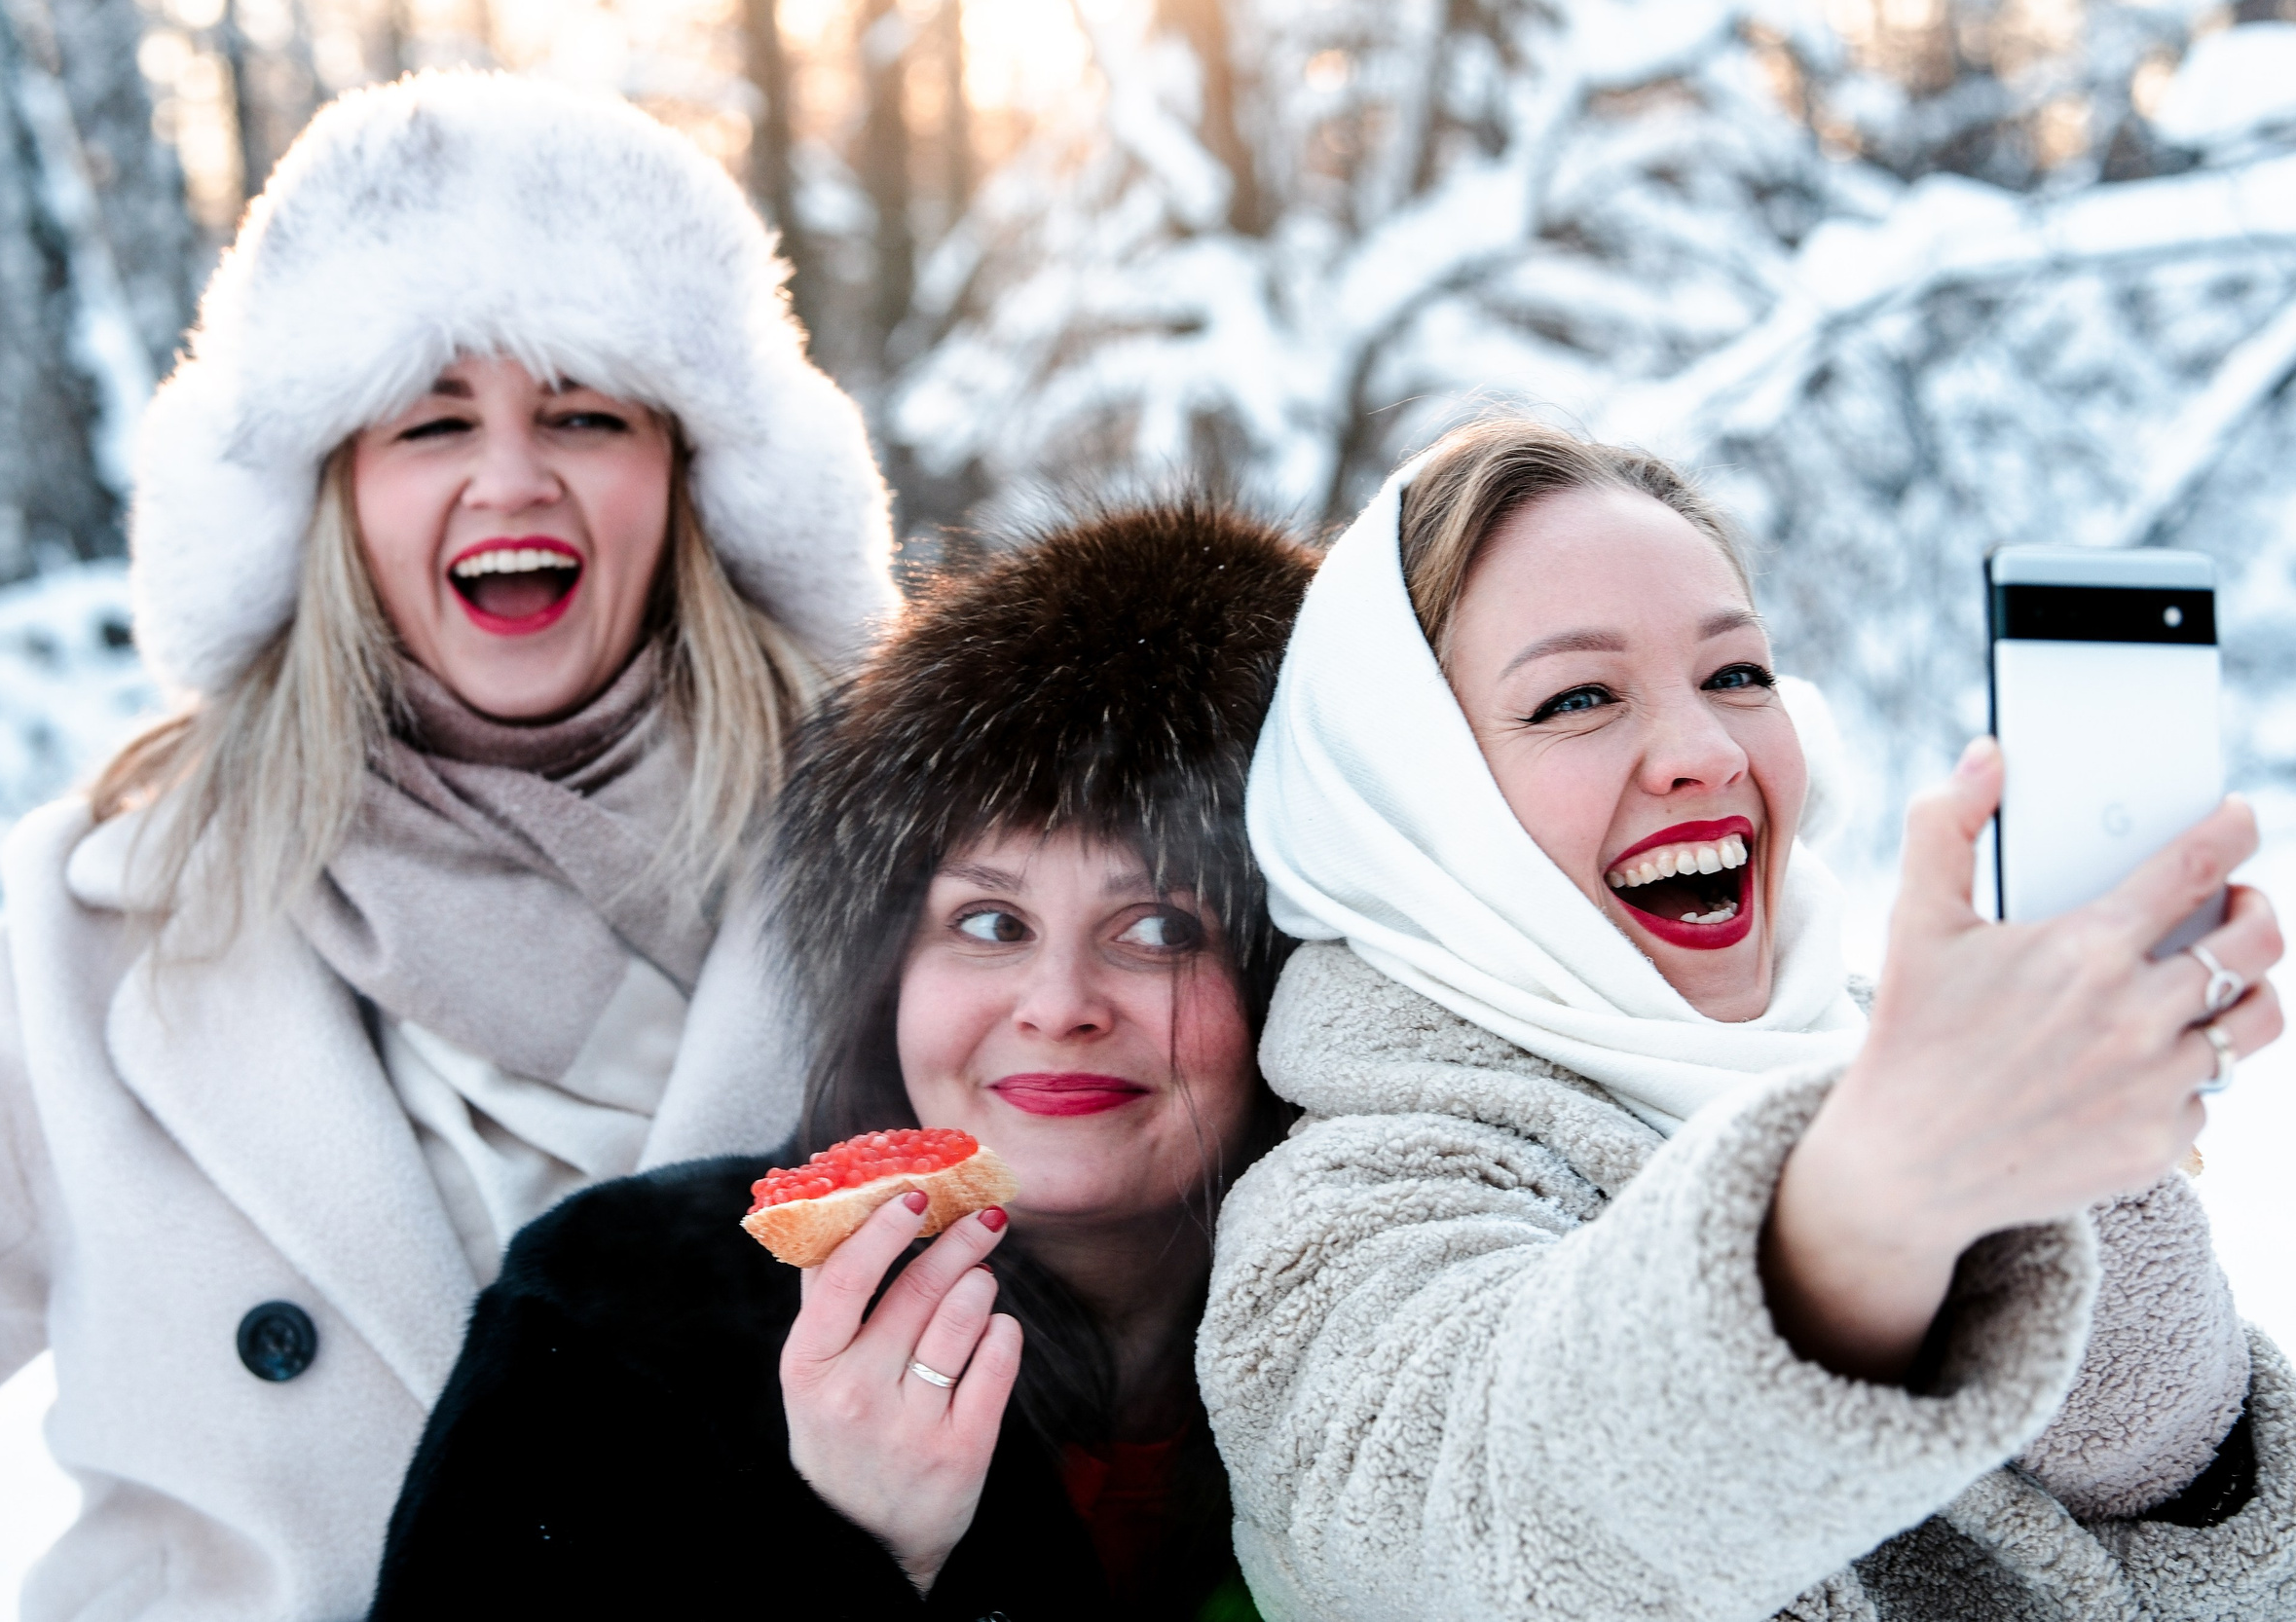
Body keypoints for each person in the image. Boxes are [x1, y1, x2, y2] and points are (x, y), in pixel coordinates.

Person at [0, 72, 896, 1618]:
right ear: (332, 498)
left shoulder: (915, 894)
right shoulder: (107, 938)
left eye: (585, 413)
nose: (510, 476)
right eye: (430, 422)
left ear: (690, 478)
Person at [1200, 415, 2296, 1619]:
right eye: (1576, 697)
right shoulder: (1332, 1225)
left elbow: (2178, 1488)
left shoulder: (1916, 1062)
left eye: (1736, 676)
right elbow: (1498, 1520)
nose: (1705, 750)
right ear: (1399, 797)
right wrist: (1876, 1198)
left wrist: (2088, 1189)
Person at [367, 501, 1315, 1619]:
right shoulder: (619, 1321)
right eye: (990, 923)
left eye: (1159, 928)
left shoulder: (1408, 1347)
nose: (1059, 1006)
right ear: (885, 971)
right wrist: (852, 1550)